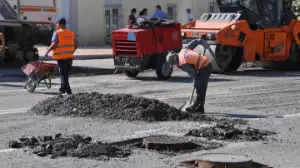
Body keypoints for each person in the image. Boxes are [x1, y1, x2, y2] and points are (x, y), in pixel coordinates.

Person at [166, 38, 214, 113]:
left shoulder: (183, 63)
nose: (175, 65)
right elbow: (196, 41)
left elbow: (194, 74)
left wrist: (195, 83)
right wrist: (202, 42)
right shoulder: (183, 50)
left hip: (204, 67)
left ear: (175, 60)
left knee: (199, 87)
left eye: (174, 64)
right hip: (205, 65)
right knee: (202, 87)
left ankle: (194, 106)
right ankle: (200, 108)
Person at [45, 17, 78, 95]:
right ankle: (62, 89)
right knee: (65, 73)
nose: (56, 25)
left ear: (59, 24)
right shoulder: (71, 33)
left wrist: (47, 51)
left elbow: (54, 44)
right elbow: (76, 44)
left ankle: (68, 92)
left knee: (63, 74)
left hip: (61, 57)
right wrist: (72, 51)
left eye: (56, 24)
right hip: (69, 57)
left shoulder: (57, 33)